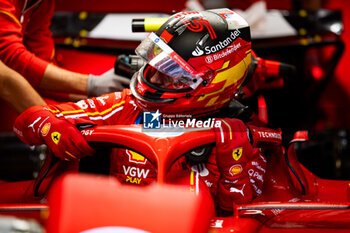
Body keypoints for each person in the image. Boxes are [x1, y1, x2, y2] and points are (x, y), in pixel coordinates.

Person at [13, 9, 282, 213]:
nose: (156, 77)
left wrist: (233, 165)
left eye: (172, 72)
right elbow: (28, 121)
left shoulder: (245, 135)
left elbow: (241, 212)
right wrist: (51, 127)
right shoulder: (129, 105)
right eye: (156, 62)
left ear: (214, 83)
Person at [0, 0, 129, 99]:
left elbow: (42, 62)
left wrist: (94, 99)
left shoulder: (42, 3)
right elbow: (10, 56)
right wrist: (91, 84)